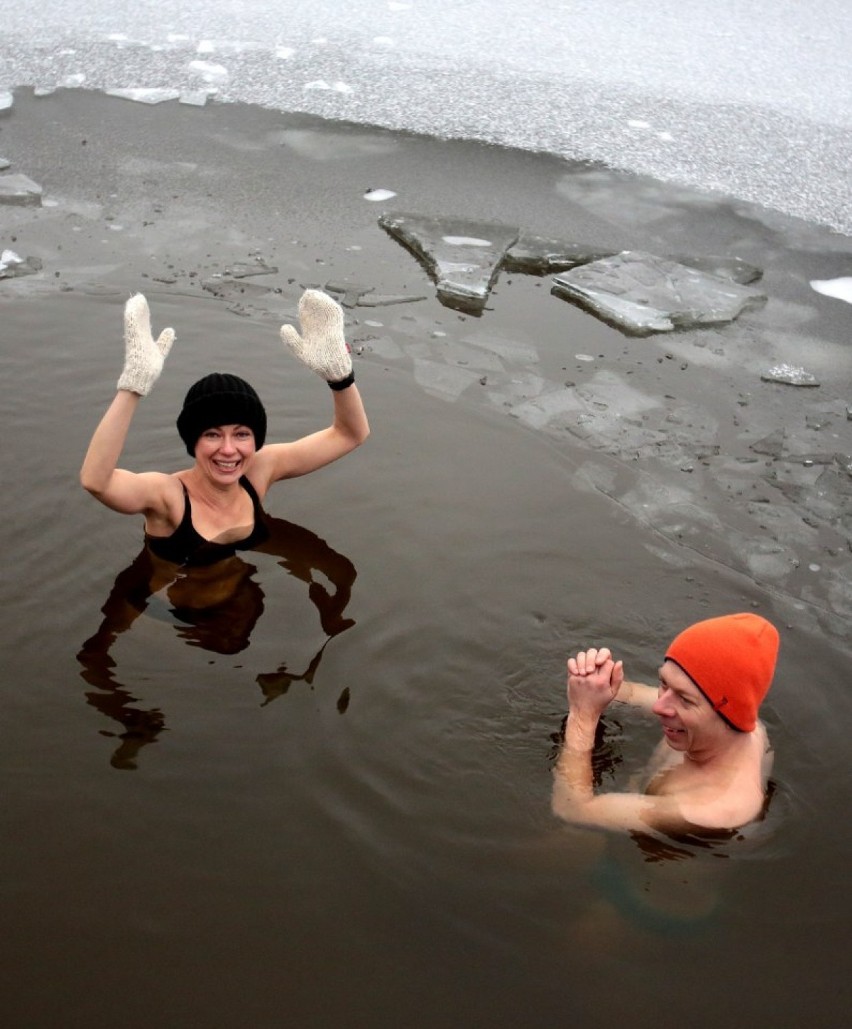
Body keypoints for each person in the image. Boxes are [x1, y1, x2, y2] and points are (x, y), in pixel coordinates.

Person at [80, 289, 369, 566]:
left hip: (243, 598)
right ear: (192, 441)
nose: (228, 450)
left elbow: (350, 434)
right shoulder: (169, 497)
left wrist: (340, 378)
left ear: (256, 440)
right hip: (174, 612)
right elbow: (97, 481)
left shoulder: (258, 470)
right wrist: (133, 386)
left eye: (241, 434)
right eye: (212, 434)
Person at [551, 613, 780, 835]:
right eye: (664, 683)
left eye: (685, 699)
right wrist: (594, 680)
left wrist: (582, 715)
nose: (659, 705)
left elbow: (572, 809)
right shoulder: (723, 716)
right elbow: (629, 695)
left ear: (730, 713)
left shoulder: (712, 808)